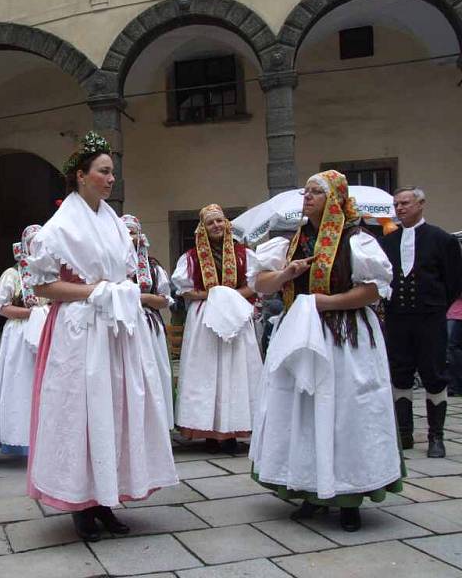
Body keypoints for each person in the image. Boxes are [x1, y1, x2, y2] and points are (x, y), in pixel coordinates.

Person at [26, 131, 178, 542]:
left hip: (113, 330)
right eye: (104, 171)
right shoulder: (58, 229)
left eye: (112, 172)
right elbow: (42, 287)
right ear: (81, 175)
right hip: (79, 331)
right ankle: (81, 503)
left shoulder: (113, 224)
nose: (112, 179)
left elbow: (121, 275)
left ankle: (106, 499)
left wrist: (118, 293)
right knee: (82, 412)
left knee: (113, 409)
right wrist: (96, 292)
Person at [248, 170, 403, 532]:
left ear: (335, 198)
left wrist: (324, 302)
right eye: (306, 191)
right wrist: (288, 273)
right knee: (302, 411)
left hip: (344, 336)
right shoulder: (291, 243)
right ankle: (309, 489)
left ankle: (350, 496)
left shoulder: (357, 239)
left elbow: (372, 291)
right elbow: (261, 284)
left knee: (346, 412)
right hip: (299, 333)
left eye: (316, 191)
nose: (308, 196)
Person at [171, 204, 261, 453]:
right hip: (205, 317)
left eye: (220, 221)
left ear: (227, 223)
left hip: (236, 315)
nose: (217, 226)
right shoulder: (191, 257)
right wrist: (213, 295)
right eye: (211, 223)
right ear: (203, 227)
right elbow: (185, 289)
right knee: (207, 372)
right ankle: (209, 431)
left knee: (236, 370)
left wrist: (229, 297)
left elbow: (253, 284)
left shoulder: (243, 253)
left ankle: (233, 430)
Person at [380, 187, 462, 458]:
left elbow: (453, 282)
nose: (400, 208)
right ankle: (404, 433)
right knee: (399, 372)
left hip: (430, 318)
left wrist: (435, 306)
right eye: (396, 204)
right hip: (397, 318)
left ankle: (436, 436)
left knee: (434, 374)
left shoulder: (442, 239)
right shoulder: (388, 242)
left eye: (405, 203)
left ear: (421, 204)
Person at [0, 225, 50, 455]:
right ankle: (21, 436)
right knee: (22, 384)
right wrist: (33, 314)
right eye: (33, 242)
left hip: (46, 331)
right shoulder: (12, 274)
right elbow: (2, 307)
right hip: (20, 335)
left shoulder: (50, 274)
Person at [120, 213, 175, 429]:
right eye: (123, 232)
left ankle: (155, 427)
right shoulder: (109, 266)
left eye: (132, 232)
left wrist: (138, 297)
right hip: (123, 325)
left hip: (149, 325)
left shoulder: (153, 268)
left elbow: (163, 300)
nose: (128, 236)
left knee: (153, 373)